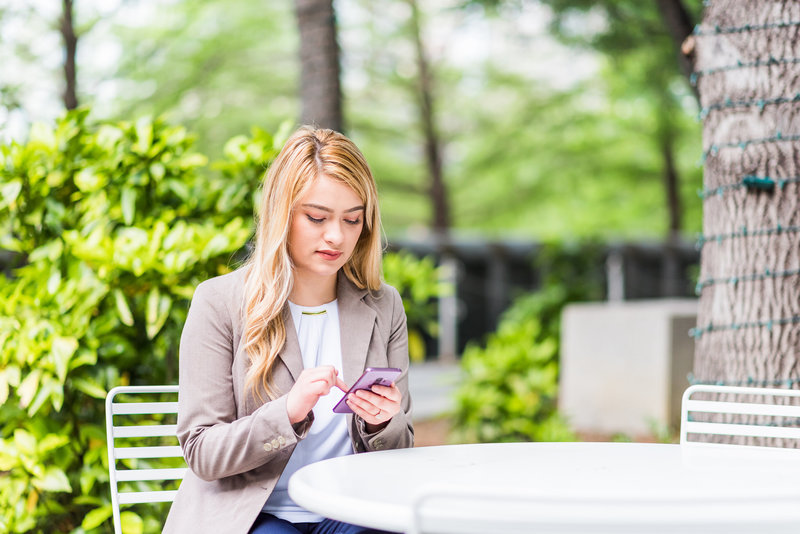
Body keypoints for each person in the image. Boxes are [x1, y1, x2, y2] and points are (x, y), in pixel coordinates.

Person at [163, 127, 414, 534]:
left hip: (349, 509)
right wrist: (288, 413)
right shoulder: (219, 303)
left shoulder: (383, 306)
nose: (336, 236)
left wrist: (383, 424)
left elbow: (402, 450)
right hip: (253, 516)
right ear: (282, 213)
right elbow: (202, 451)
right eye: (317, 217)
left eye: (352, 220)